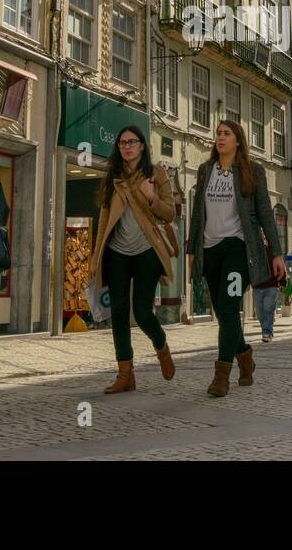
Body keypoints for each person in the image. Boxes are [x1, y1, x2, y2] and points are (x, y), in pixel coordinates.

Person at [187, 120, 287, 397]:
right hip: (209, 249)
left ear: (238, 141)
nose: (220, 137)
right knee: (222, 312)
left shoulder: (252, 171)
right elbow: (197, 213)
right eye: (218, 133)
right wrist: (191, 251)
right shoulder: (205, 170)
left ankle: (221, 376)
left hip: (238, 249)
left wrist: (276, 253)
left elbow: (266, 213)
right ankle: (245, 358)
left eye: (226, 134)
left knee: (229, 308)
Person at [91, 125, 179, 393]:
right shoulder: (113, 178)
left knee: (141, 311)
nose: (126, 146)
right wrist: (96, 257)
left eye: (132, 142)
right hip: (116, 251)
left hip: (147, 251)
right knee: (117, 312)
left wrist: (151, 196)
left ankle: (161, 346)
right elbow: (105, 219)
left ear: (142, 145)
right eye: (122, 143)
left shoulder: (156, 174)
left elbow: (169, 214)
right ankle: (125, 373)